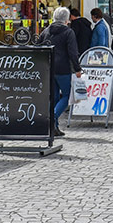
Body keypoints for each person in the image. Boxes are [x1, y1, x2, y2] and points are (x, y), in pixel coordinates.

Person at [41, 7, 82, 137]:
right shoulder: (68, 32)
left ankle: (54, 128)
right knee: (66, 95)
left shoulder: (46, 31)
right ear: (67, 18)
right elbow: (73, 52)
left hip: (48, 67)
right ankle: (52, 119)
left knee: (53, 97)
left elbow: (38, 46)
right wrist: (77, 69)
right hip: (63, 68)